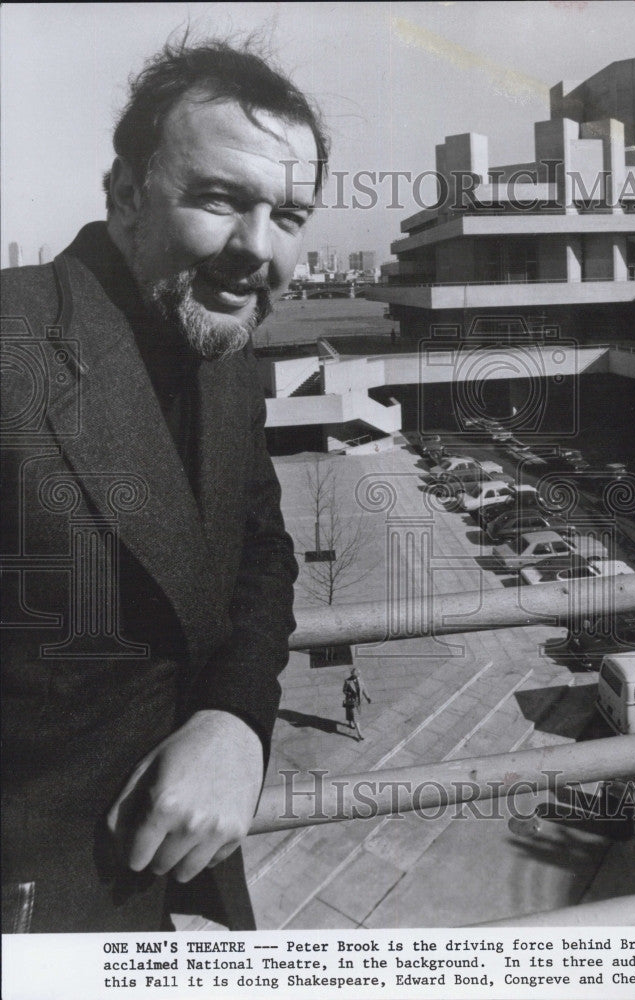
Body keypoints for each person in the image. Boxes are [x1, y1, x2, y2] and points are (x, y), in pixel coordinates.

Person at [0, 39, 329, 932]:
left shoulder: (216, 340)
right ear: (123, 193)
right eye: (219, 199)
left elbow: (260, 547)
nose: (255, 250)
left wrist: (235, 717)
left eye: (289, 215)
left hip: (190, 891)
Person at [342, 667, 371, 740]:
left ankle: (350, 722)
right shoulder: (347, 681)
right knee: (355, 717)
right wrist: (349, 694)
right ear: (352, 675)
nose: (357, 677)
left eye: (358, 675)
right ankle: (359, 734)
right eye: (356, 676)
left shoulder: (360, 680)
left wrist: (368, 697)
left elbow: (364, 689)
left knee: (350, 713)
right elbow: (344, 690)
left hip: (358, 701)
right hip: (351, 701)